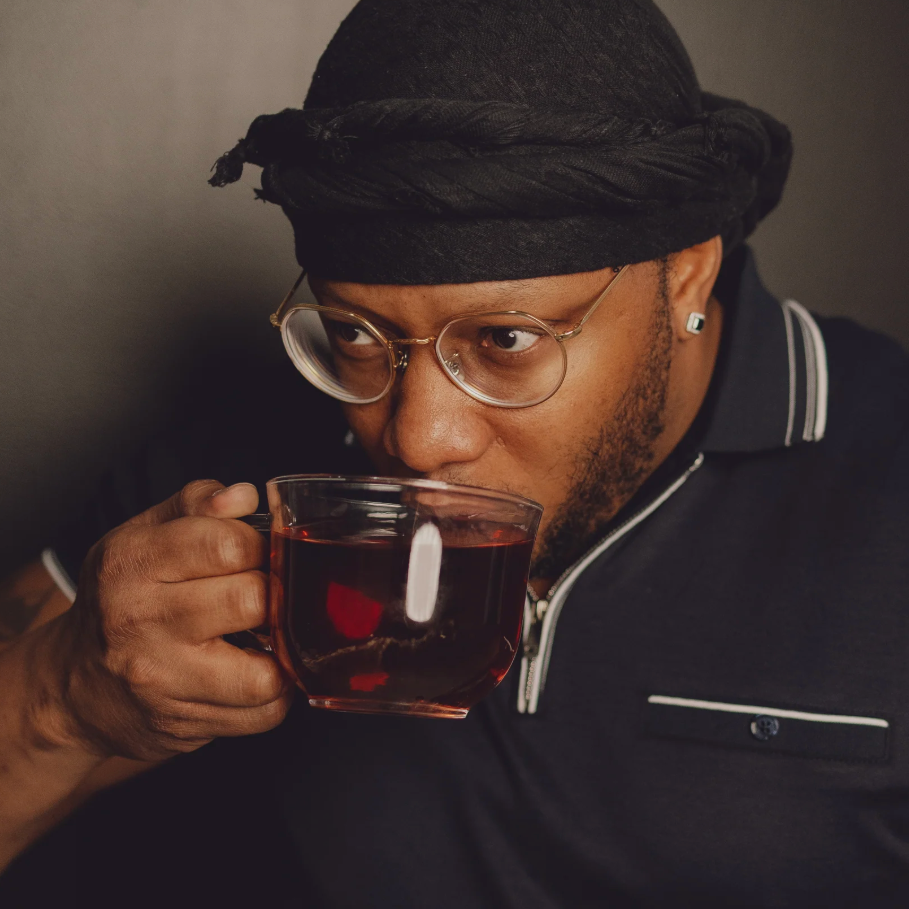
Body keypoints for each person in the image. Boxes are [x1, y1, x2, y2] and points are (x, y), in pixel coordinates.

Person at [1, 0, 908, 905]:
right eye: (358, 334)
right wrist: (59, 696)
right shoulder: (248, 466)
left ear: (685, 277)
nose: (414, 438)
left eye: (506, 340)